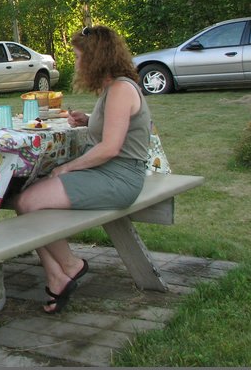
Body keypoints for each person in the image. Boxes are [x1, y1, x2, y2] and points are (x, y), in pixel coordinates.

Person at [13, 25, 151, 314]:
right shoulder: (115, 87)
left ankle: (70, 266)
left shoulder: (120, 90)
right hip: (110, 172)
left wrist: (68, 169)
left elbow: (111, 148)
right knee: (25, 196)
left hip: (119, 177)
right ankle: (57, 274)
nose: (76, 63)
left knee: (28, 201)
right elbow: (117, 130)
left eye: (78, 57)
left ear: (95, 58)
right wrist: (89, 120)